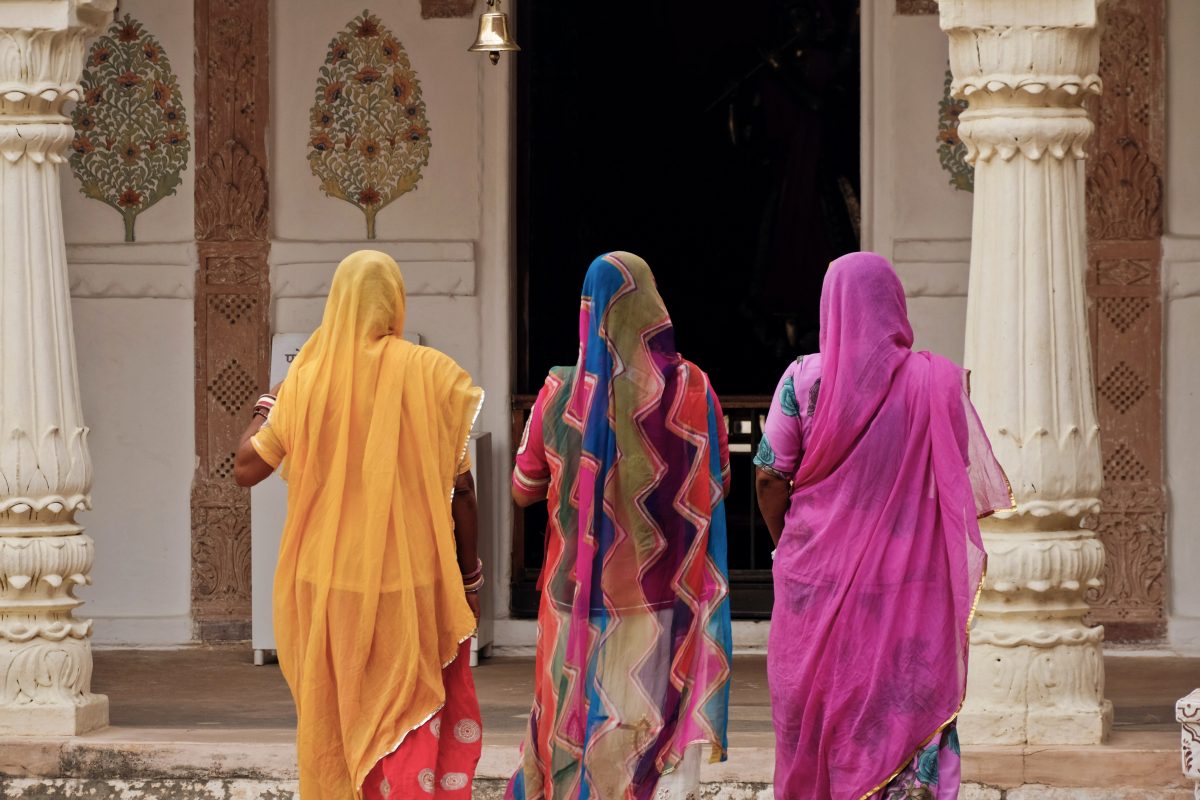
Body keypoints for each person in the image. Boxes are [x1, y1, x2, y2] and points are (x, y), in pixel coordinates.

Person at [753, 252, 1013, 800]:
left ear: (830, 306)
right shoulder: (935, 381)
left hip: (814, 578)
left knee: (818, 704)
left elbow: (769, 476)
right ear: (895, 305)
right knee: (902, 700)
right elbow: (952, 468)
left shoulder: (803, 379)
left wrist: (792, 545)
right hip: (906, 582)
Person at [233, 250, 486, 800]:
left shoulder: (305, 380)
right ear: (395, 302)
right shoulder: (433, 373)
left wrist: (265, 405)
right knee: (406, 718)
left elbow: (245, 468)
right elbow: (461, 489)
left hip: (325, 589)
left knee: (342, 721)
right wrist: (470, 579)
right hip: (410, 583)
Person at [508, 252, 734, 800]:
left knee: (576, 734)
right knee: (643, 739)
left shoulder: (558, 393)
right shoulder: (695, 389)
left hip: (573, 603)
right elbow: (719, 480)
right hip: (660, 605)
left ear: (588, 310)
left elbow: (522, 489)